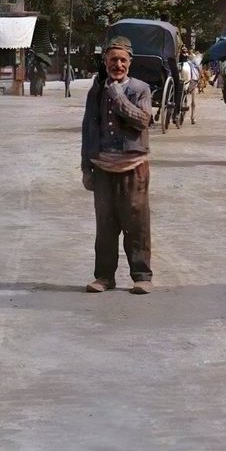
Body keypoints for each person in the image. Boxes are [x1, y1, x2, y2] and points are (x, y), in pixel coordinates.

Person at [80, 35, 153, 293]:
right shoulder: (96, 91)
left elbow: (142, 120)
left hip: (134, 168)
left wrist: (119, 97)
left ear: (130, 63)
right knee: (106, 226)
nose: (118, 65)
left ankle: (141, 275)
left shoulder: (140, 89)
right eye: (113, 59)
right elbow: (89, 130)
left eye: (123, 60)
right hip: (103, 169)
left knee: (137, 224)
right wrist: (86, 168)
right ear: (105, 61)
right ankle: (104, 277)